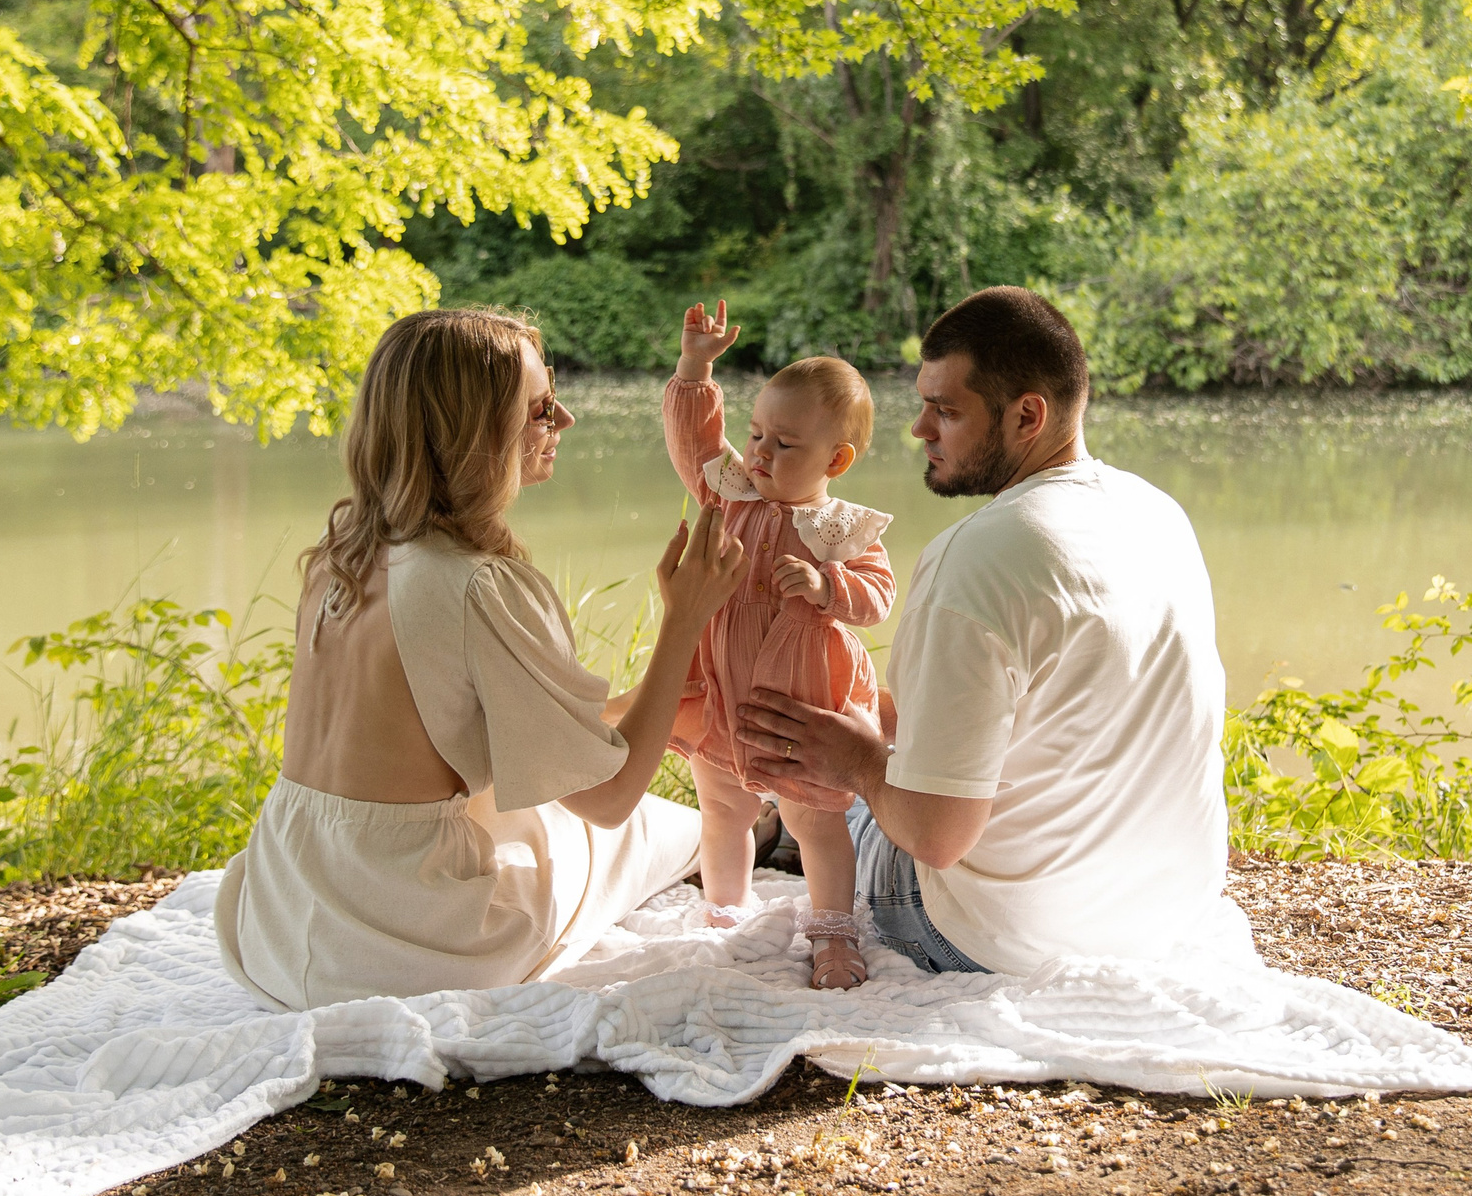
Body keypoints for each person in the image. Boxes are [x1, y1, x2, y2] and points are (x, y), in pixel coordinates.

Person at [213, 308, 746, 1011]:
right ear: (473, 433)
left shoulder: (346, 540)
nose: (567, 420)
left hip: (281, 916)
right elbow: (610, 798)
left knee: (543, 812)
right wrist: (684, 619)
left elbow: (446, 732)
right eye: (539, 407)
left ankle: (742, 822)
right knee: (641, 828)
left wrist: (633, 710)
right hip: (398, 944)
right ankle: (759, 823)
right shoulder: (473, 584)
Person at [736, 287, 1246, 976]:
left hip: (993, 936)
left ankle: (766, 824)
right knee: (858, 740)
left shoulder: (976, 553)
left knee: (828, 800)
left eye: (946, 410)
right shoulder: (1157, 512)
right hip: (1168, 915)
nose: (919, 428)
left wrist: (854, 758)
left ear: (1027, 414)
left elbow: (933, 837)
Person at [663, 301, 894, 989]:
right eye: (757, 433)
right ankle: (727, 912)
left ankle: (832, 933)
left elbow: (878, 597)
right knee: (723, 806)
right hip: (724, 688)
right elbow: (697, 444)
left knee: (816, 818)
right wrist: (696, 368)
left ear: (837, 458)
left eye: (783, 444)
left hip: (802, 698)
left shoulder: (840, 528)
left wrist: (826, 586)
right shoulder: (731, 494)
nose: (759, 452)